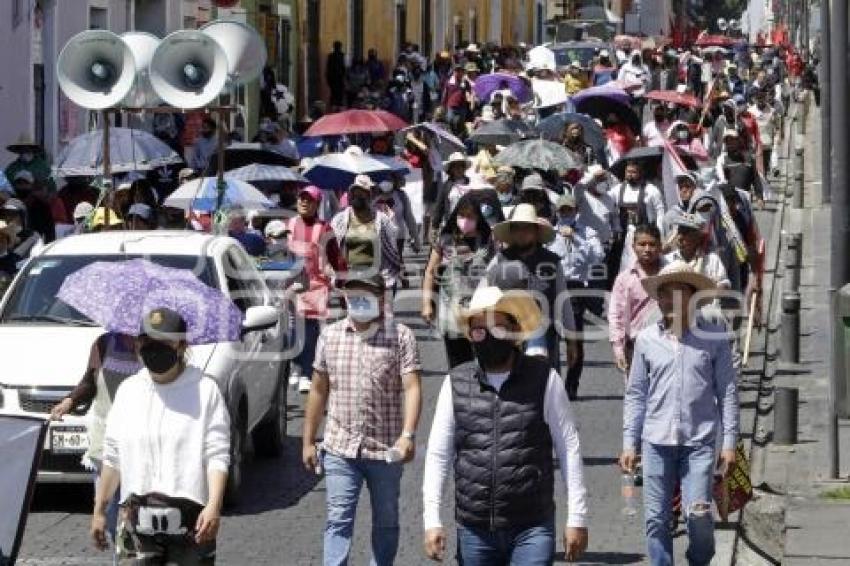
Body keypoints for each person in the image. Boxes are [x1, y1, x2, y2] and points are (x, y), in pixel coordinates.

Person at [422, 285, 589, 564]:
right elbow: (439, 454)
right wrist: (431, 519)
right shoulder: (455, 383)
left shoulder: (545, 380)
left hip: (532, 525)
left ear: (513, 332)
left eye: (498, 328)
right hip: (474, 528)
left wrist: (577, 517)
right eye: (479, 330)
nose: (488, 338)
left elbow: (568, 448)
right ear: (471, 336)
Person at [620, 261, 738, 566]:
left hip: (699, 442)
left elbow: (726, 391)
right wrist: (629, 443)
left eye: (679, 292)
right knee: (656, 520)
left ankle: (699, 560)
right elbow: (636, 394)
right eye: (664, 293)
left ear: (693, 297)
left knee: (698, 514)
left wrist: (729, 444)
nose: (671, 300)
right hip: (656, 442)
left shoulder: (714, 337)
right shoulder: (646, 340)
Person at [91, 309, 231, 565]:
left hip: (191, 522)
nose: (154, 349)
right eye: (147, 342)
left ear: (181, 345)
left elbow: (217, 454)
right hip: (136, 522)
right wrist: (100, 510)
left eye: (164, 343)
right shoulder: (129, 391)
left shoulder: (205, 390)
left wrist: (214, 505)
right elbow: (112, 456)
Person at [302, 274, 422, 566]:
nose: (358, 299)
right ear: (344, 296)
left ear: (382, 298)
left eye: (367, 293)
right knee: (338, 519)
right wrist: (308, 441)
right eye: (353, 292)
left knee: (386, 521)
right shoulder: (329, 336)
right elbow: (318, 389)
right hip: (340, 448)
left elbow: (412, 387)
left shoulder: (401, 336)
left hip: (385, 450)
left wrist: (407, 435)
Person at [51, 332, 141, 558]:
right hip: (105, 444)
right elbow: (90, 381)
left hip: (139, 445)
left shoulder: (152, 346)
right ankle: (124, 556)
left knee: (135, 521)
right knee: (111, 518)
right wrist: (69, 400)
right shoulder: (103, 343)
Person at [485, 204, 578, 373]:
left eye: (526, 228)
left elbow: (563, 302)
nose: (521, 233)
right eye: (517, 228)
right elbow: (484, 295)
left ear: (536, 231)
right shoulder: (500, 260)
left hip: (546, 336)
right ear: (511, 232)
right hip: (507, 337)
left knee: (545, 388)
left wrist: (571, 341)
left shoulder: (552, 262)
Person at [422, 194, 496, 369]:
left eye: (470, 217)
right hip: (452, 313)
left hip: (481, 313)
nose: (465, 220)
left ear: (478, 218)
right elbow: (430, 272)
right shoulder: (445, 239)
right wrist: (427, 303)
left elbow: (498, 270)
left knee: (485, 362)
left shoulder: (489, 240)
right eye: (461, 216)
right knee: (458, 366)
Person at [286, 185, 345, 393]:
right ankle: (296, 364)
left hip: (316, 285)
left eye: (309, 200)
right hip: (292, 284)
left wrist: (343, 279)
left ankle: (306, 373)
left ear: (317, 204)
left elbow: (336, 256)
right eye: (301, 198)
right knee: (292, 328)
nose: (304, 202)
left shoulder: (325, 228)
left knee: (310, 329)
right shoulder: (290, 224)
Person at [547, 193, 605, 400]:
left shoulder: (587, 232)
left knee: (574, 339)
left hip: (576, 287)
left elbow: (598, 256)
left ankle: (571, 385)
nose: (565, 214)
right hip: (553, 287)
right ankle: (548, 384)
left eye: (569, 210)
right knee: (548, 338)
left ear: (576, 211)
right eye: (562, 210)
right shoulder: (550, 234)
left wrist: (576, 239)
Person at [608, 224, 666, 374]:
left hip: (667, 345)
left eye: (652, 244)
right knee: (636, 394)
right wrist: (618, 348)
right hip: (635, 346)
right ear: (633, 247)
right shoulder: (624, 279)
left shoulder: (671, 275)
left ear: (660, 247)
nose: (647, 249)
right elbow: (616, 315)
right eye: (642, 244)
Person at [330, 175, 401, 289]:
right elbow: (332, 250)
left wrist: (388, 279)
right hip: (349, 281)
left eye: (362, 193)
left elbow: (392, 251)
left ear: (369, 196)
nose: (357, 196)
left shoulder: (382, 220)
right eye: (355, 192)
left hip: (376, 281)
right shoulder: (339, 220)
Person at [429, 152, 471, 238]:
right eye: (455, 166)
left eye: (461, 166)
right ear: (451, 169)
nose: (459, 169)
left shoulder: (471, 184)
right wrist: (434, 226)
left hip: (469, 225)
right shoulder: (446, 186)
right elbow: (439, 207)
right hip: (451, 226)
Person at [326, 41, 347, 110]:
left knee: (338, 95)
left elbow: (344, 68)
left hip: (338, 78)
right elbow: (328, 68)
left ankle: (337, 107)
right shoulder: (332, 56)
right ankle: (335, 107)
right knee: (335, 95)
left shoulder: (341, 56)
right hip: (335, 79)